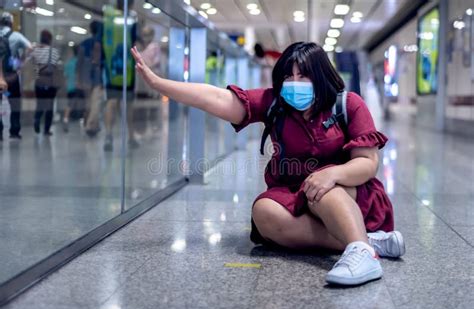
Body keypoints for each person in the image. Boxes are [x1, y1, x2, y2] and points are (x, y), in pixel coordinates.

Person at [131, 42, 406, 286]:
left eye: (303, 74)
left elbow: (367, 163)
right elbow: (215, 98)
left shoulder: (348, 105)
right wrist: (158, 84)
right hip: (295, 194)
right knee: (264, 212)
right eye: (288, 75)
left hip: (350, 193)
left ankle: (362, 253)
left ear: (320, 75)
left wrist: (332, 174)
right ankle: (366, 240)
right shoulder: (275, 104)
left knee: (321, 190)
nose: (294, 82)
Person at [102, 0, 138, 151]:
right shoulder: (131, 20)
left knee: (111, 101)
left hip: (111, 67)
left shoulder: (108, 18)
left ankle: (109, 135)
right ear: (130, 5)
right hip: (127, 69)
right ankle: (131, 136)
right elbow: (135, 43)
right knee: (128, 104)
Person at [0, 12, 32, 140]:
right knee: (15, 103)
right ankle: (14, 131)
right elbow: (30, 48)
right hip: (12, 76)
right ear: (11, 23)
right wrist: (20, 64)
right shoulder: (16, 35)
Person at [30, 30, 61, 136]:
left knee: (40, 103)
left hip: (39, 81)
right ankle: (46, 130)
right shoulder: (54, 51)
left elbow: (32, 63)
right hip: (50, 82)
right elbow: (57, 66)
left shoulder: (35, 51)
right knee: (49, 106)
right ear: (50, 39)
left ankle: (36, 118)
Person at [77, 20, 104, 137]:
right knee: (96, 102)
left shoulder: (83, 44)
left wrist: (78, 78)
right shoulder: (101, 44)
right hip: (97, 75)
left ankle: (92, 124)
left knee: (89, 102)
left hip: (85, 75)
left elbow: (79, 63)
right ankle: (91, 125)